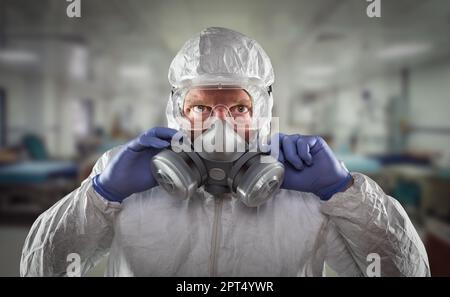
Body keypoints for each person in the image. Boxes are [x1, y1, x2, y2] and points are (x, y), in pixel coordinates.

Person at [20, 27, 429, 277]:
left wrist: (345, 193)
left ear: (262, 112)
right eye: (200, 107)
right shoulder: (124, 177)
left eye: (238, 108)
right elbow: (39, 269)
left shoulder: (309, 192)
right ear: (178, 111)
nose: (220, 125)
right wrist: (100, 196)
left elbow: (407, 272)